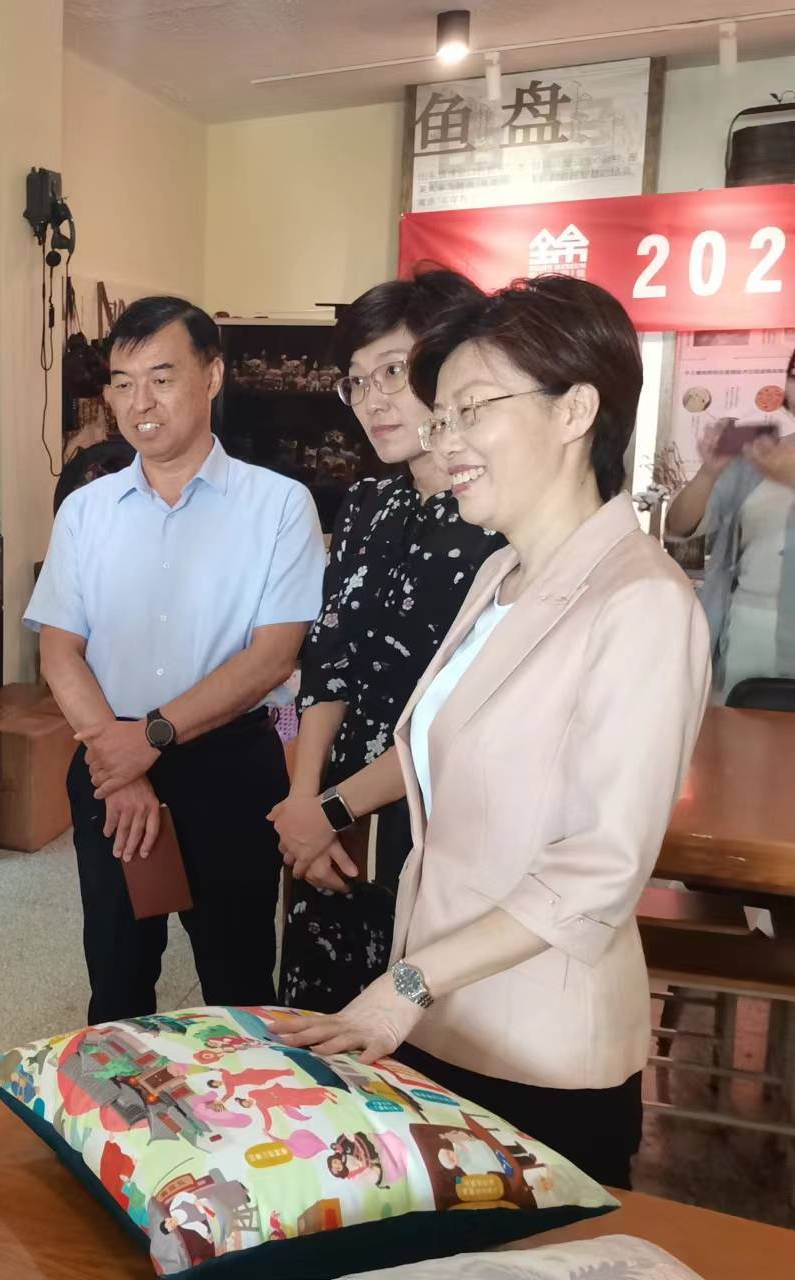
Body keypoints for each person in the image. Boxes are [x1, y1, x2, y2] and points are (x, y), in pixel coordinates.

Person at [274, 276, 711, 1190]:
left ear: (575, 411)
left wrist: (409, 982)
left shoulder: (641, 600)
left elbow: (599, 869)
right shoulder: (502, 576)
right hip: (445, 1018)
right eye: (442, 418)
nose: (446, 441)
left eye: (472, 410)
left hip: (539, 1048)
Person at [26, 294, 325, 1025]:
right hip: (110, 765)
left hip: (228, 769)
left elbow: (273, 657)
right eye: (123, 383)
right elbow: (59, 648)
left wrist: (151, 737)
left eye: (162, 378)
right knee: (117, 981)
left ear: (211, 376)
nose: (140, 403)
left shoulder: (279, 505)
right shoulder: (86, 510)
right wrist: (119, 759)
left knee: (238, 981)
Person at [272, 268, 503, 1014]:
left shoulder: (501, 519)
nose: (372, 400)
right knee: (319, 1025)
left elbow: (462, 712)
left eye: (394, 372)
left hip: (439, 817)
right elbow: (328, 663)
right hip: (332, 813)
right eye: (357, 381)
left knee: (413, 1028)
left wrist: (329, 811)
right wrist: (305, 802)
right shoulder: (368, 503)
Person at [665, 348, 795, 699]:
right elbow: (679, 527)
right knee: (740, 726)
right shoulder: (761, 457)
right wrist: (708, 473)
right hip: (747, 628)